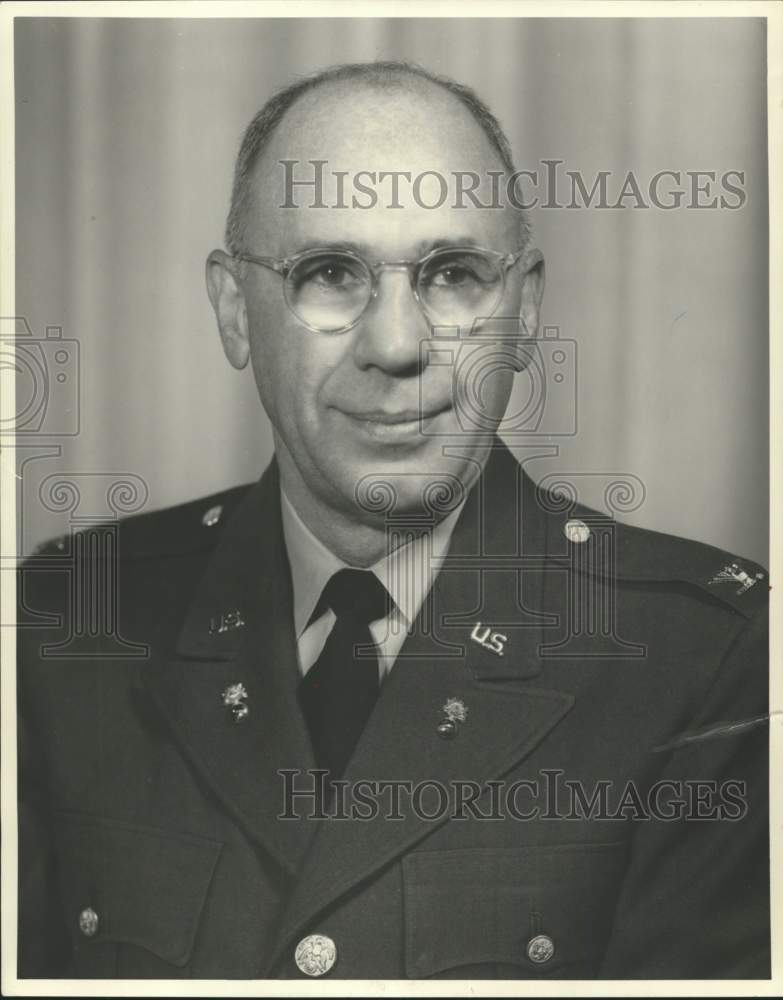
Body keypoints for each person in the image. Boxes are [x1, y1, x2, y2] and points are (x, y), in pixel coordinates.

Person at [16, 61, 769, 980]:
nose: (397, 346)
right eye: (328, 273)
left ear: (523, 310)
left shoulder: (709, 659)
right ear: (233, 311)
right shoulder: (63, 626)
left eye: (452, 276)